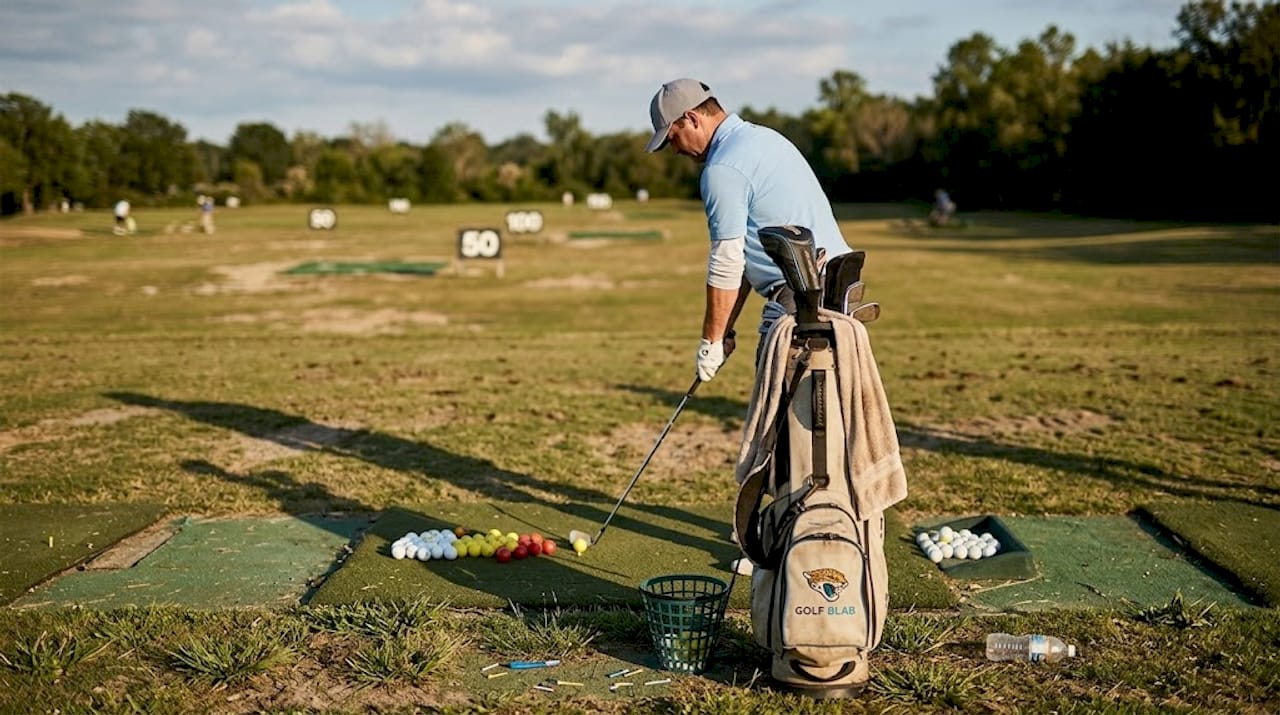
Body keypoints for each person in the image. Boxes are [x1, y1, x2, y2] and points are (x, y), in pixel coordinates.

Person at [644, 78, 854, 381]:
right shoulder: (764, 139)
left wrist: (709, 343)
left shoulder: (722, 168)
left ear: (690, 118)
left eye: (672, 138)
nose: (675, 150)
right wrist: (724, 328)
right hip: (840, 286)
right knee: (834, 412)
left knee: (786, 417)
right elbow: (744, 260)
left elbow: (726, 261)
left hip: (804, 298)